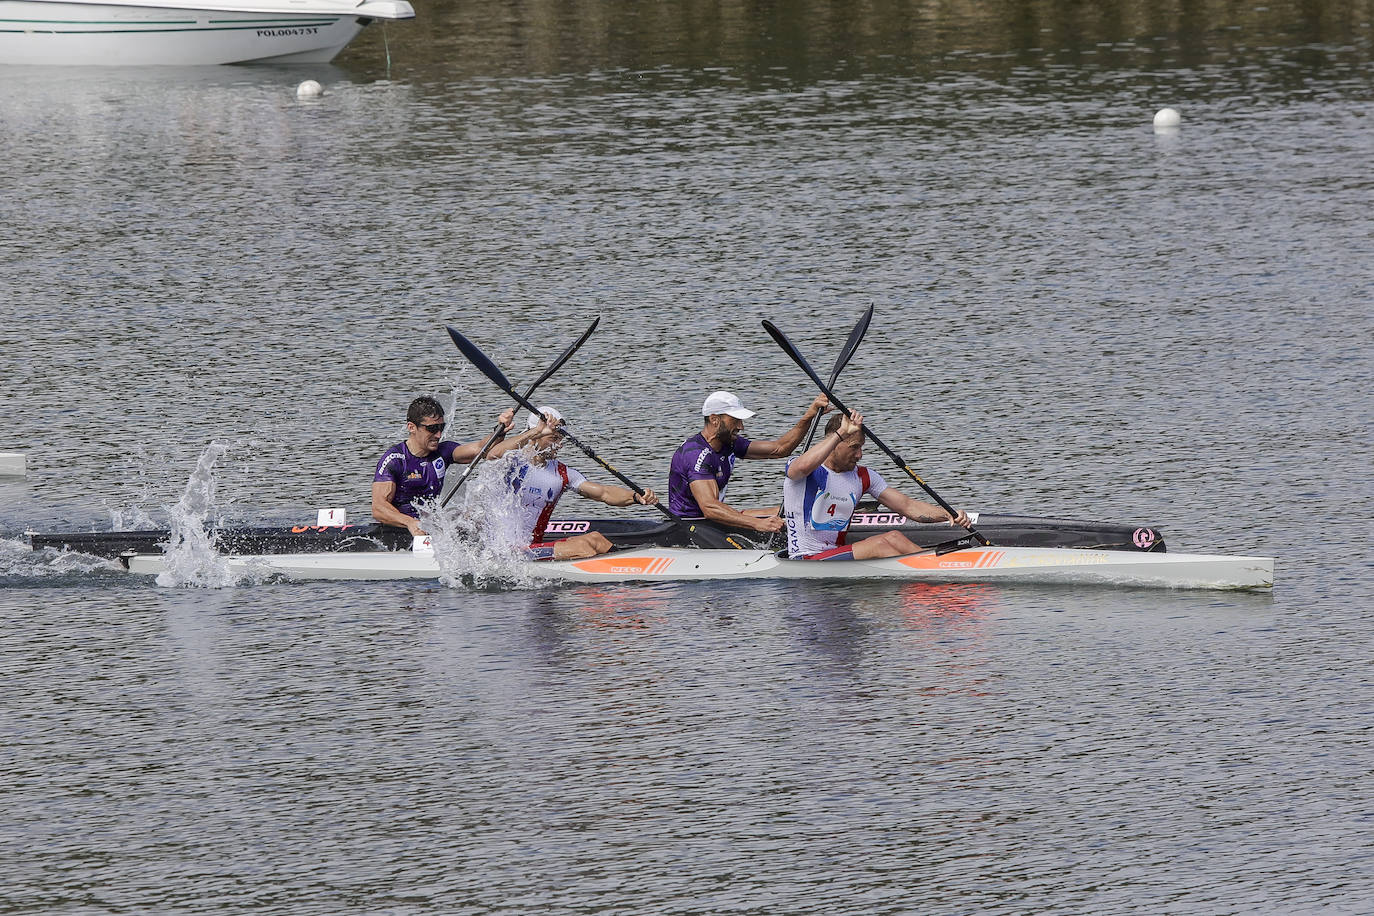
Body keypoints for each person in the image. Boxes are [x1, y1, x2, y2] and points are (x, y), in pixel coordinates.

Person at [783, 410, 971, 560]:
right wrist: (841, 432)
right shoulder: (804, 469)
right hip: (805, 557)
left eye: (861, 447)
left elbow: (907, 505)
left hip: (835, 554)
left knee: (894, 537)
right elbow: (798, 469)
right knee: (880, 544)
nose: (860, 455)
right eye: (854, 447)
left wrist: (948, 514)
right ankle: (930, 576)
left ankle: (936, 567)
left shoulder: (864, 477)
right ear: (835, 443)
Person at [490, 407, 659, 560]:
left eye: (560, 438)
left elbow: (604, 493)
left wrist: (636, 497)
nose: (559, 445)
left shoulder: (561, 473)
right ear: (535, 435)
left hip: (533, 548)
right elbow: (492, 454)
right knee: (582, 547)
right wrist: (536, 430)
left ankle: (631, 575)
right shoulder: (512, 463)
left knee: (597, 539)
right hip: (507, 552)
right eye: (553, 438)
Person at [668, 390, 830, 534]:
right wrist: (758, 524)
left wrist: (809, 416)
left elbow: (780, 449)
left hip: (714, 519)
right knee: (779, 516)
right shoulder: (696, 455)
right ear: (714, 419)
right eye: (736, 420)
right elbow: (709, 507)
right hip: (691, 526)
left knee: (790, 510)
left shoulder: (728, 443)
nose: (741, 426)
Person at [372, 396, 534, 536]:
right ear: (411, 427)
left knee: (472, 517)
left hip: (430, 528)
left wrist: (500, 430)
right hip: (397, 531)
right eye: (432, 429)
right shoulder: (395, 459)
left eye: (441, 427)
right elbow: (378, 508)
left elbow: (481, 450)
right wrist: (410, 523)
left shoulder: (443, 451)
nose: (438, 434)